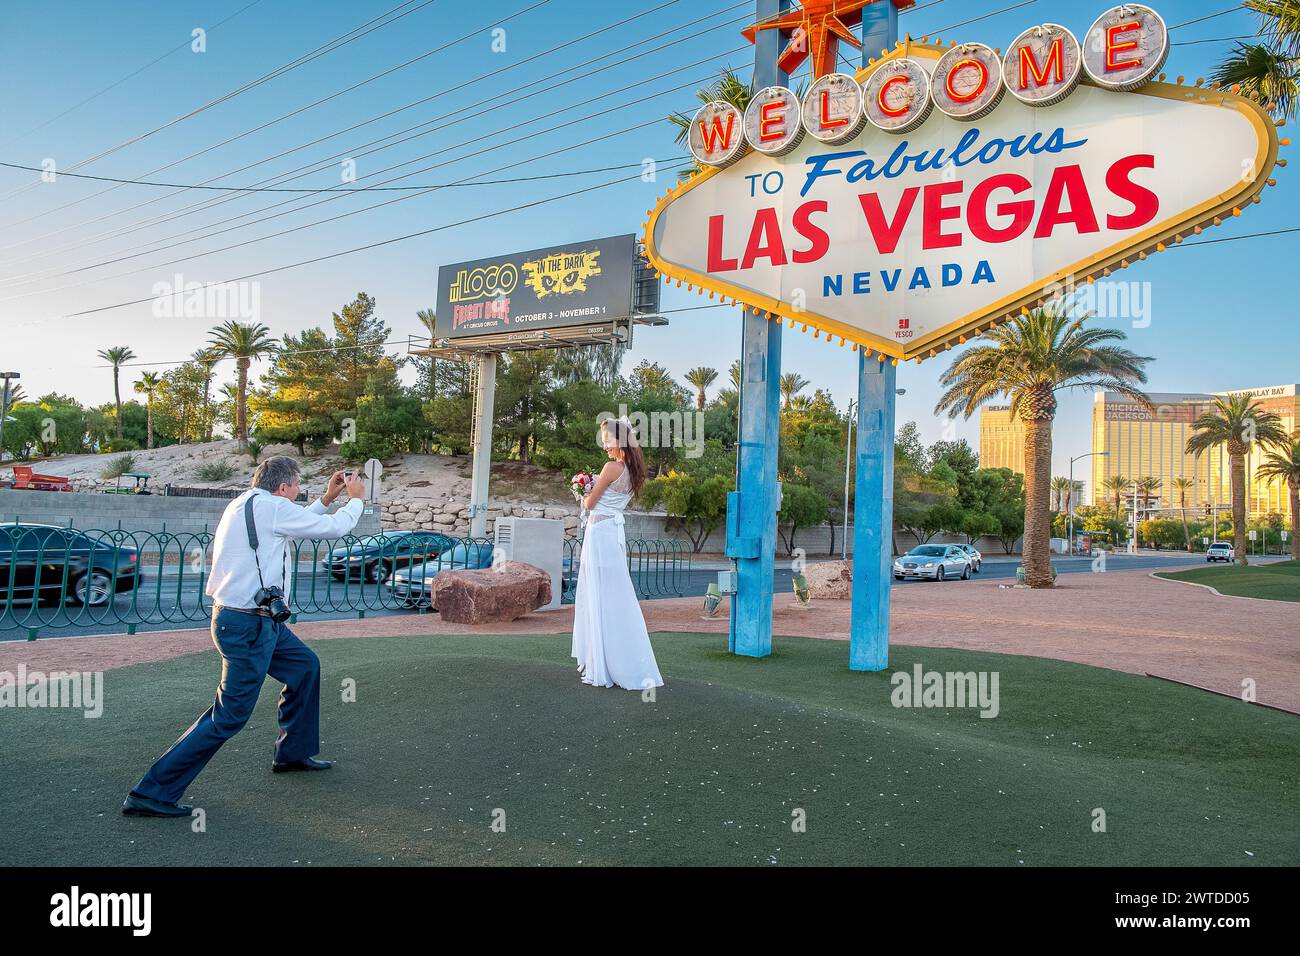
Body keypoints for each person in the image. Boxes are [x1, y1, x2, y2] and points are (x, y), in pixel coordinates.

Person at [121, 456, 368, 818]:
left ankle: (292, 753)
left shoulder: (248, 503)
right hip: (248, 625)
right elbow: (330, 530)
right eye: (298, 486)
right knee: (229, 716)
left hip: (255, 621)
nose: (299, 492)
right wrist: (357, 499)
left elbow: (293, 522)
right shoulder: (271, 508)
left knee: (304, 668)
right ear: (283, 488)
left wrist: (328, 499)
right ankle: (152, 792)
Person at [571, 417, 664, 691]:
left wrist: (580, 490)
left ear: (619, 441)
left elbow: (590, 503)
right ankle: (623, 661)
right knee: (615, 595)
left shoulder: (611, 468)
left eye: (607, 441)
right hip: (613, 535)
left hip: (599, 534)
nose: (605, 447)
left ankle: (604, 664)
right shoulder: (632, 472)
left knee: (597, 594)